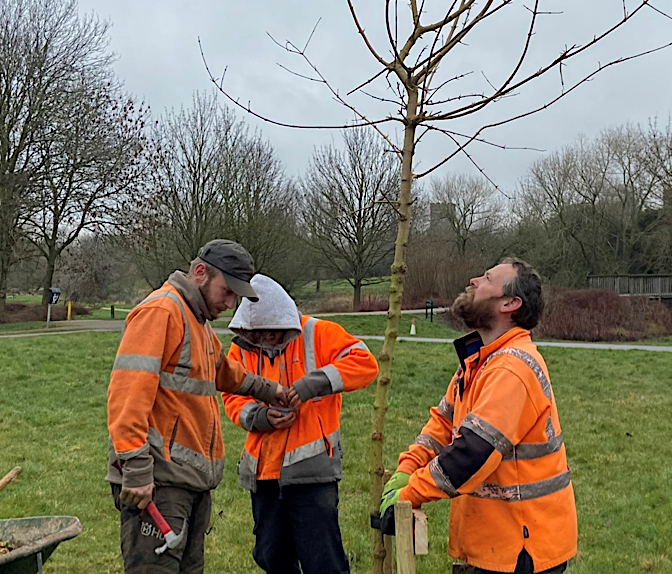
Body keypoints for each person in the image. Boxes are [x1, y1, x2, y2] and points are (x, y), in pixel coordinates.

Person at [380, 258, 577, 574]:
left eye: (487, 279)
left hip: (520, 548)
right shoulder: (479, 362)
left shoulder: (511, 369)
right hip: (497, 542)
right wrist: (407, 467)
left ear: (510, 304)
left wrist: (411, 492)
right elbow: (443, 423)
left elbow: (473, 452)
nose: (473, 280)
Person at [106, 240, 292, 574]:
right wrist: (135, 470)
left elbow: (223, 370)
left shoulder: (198, 322)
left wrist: (269, 389)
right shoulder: (161, 312)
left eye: (236, 295)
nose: (231, 302)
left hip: (189, 481)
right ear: (200, 272)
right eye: (227, 291)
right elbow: (127, 395)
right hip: (159, 481)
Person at [222, 274, 379, 574]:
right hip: (263, 472)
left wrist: (312, 384)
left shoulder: (318, 333)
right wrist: (260, 418)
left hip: (313, 472)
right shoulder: (240, 347)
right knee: (270, 556)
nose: (265, 339)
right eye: (258, 333)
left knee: (323, 562)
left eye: (271, 332)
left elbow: (365, 363)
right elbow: (231, 395)